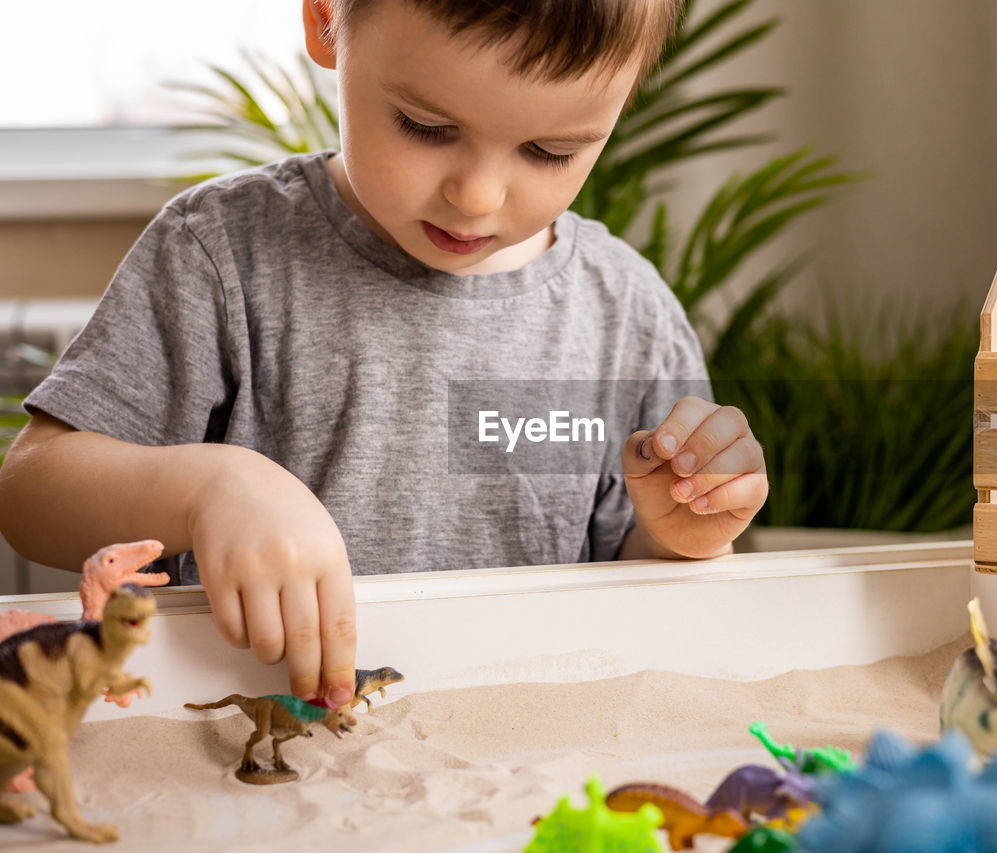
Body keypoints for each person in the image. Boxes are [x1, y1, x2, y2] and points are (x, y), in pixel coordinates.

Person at [0, 0, 768, 710]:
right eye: (426, 126)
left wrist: (675, 535)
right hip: (240, 734)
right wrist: (206, 488)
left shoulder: (627, 316)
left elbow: (635, 603)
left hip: (519, 748)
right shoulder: (222, 255)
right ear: (327, 20)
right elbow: (31, 493)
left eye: (549, 150)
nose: (477, 195)